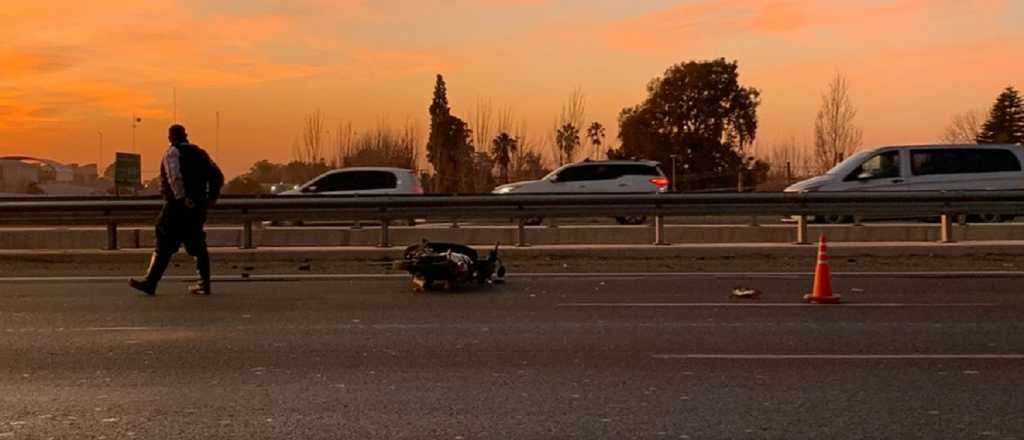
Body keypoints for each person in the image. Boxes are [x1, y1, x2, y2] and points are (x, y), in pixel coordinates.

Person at [130, 124, 224, 296]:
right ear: (186, 135)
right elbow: (217, 176)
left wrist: (182, 198)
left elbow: (175, 177)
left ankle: (151, 282)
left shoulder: (172, 153)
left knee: (163, 239)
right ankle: (204, 283)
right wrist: (211, 197)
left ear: (170, 138)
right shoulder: (200, 153)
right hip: (198, 206)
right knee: (197, 243)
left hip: (177, 206)